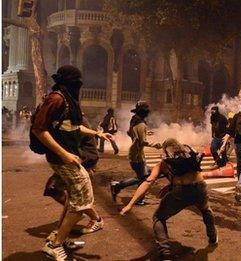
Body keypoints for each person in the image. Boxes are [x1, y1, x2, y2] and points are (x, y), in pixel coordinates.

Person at [31, 65, 112, 260]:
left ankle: (60, 237)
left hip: (69, 157)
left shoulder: (66, 100)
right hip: (63, 159)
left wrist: (97, 133)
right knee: (82, 202)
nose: (80, 86)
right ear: (70, 82)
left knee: (74, 200)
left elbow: (74, 128)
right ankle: (55, 245)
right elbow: (39, 129)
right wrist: (64, 154)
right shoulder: (56, 99)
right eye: (77, 82)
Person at [120, 138, 217, 260]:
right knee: (205, 209)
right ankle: (213, 238)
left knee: (158, 217)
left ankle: (165, 253)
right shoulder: (190, 155)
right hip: (200, 187)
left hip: (181, 192)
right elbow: (187, 173)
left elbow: (148, 182)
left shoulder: (164, 163)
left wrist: (130, 204)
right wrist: (171, 185)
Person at [43, 114, 101, 248]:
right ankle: (89, 217)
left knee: (69, 198)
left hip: (83, 162)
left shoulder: (77, 120)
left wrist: (86, 167)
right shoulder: (64, 120)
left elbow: (88, 149)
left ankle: (61, 237)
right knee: (67, 197)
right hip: (73, 162)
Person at [110, 101, 157, 205]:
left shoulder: (134, 121)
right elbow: (142, 142)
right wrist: (156, 145)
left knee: (142, 177)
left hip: (135, 153)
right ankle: (118, 186)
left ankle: (139, 198)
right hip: (137, 155)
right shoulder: (141, 124)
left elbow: (131, 133)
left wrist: (145, 133)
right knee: (143, 178)